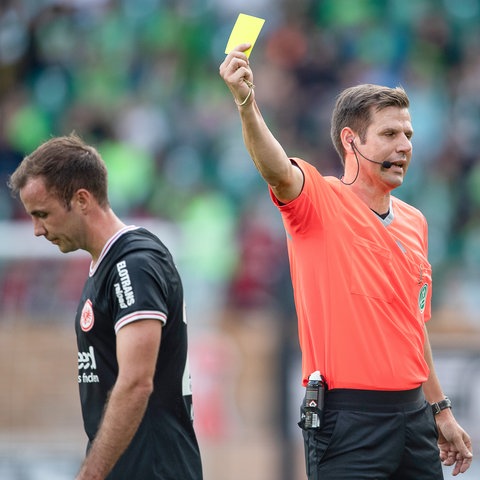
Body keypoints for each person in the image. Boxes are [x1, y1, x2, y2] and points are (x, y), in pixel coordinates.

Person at [220, 44, 473, 479]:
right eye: (390, 134)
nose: (405, 146)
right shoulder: (318, 200)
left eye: (409, 135)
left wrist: (440, 409)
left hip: (414, 418)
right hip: (348, 421)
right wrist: (247, 103)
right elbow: (276, 168)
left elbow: (414, 329)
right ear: (351, 140)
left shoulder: (415, 221)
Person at [8, 134, 203, 480]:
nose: (37, 230)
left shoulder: (134, 265)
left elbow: (136, 381)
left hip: (154, 470)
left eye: (43, 214)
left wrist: (91, 474)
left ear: (81, 200)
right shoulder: (109, 266)